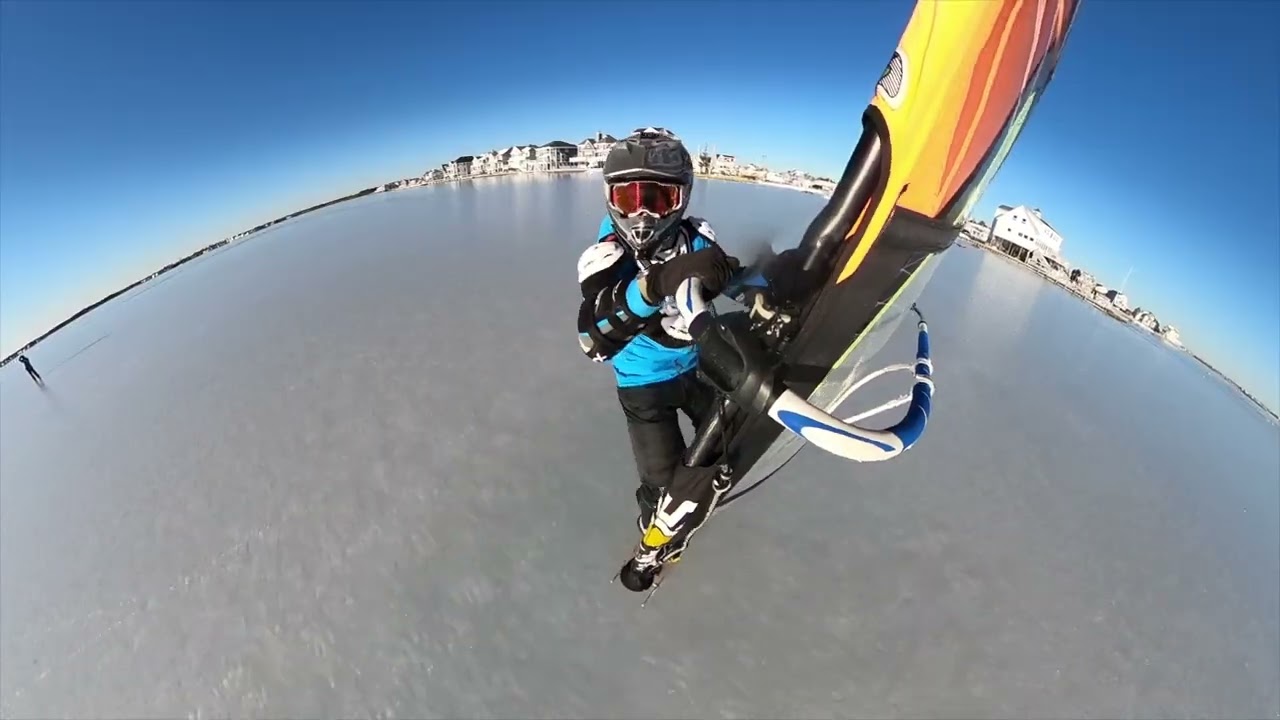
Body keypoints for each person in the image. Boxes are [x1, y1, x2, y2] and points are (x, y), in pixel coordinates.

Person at [574, 128, 740, 589]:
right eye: (628, 199)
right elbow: (593, 337)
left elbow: (726, 274)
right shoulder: (606, 258)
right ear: (609, 199)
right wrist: (654, 284)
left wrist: (758, 280)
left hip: (695, 363)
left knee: (735, 433)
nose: (642, 215)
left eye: (658, 198)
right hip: (644, 384)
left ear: (681, 200)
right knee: (664, 486)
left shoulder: (696, 240)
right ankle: (656, 534)